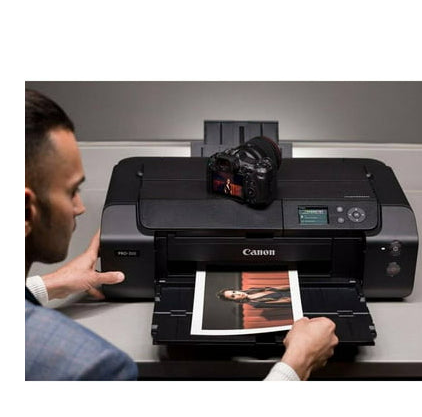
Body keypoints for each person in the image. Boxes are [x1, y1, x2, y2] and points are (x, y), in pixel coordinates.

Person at [25, 89, 339, 380]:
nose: (81, 208)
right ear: (27, 210)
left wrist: (45, 285)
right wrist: (297, 363)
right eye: (71, 191)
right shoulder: (93, 367)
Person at [218, 286, 291, 308]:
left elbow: (278, 288)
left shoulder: (252, 289)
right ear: (234, 300)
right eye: (233, 296)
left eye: (234, 292)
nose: (238, 294)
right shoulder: (256, 303)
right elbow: (284, 302)